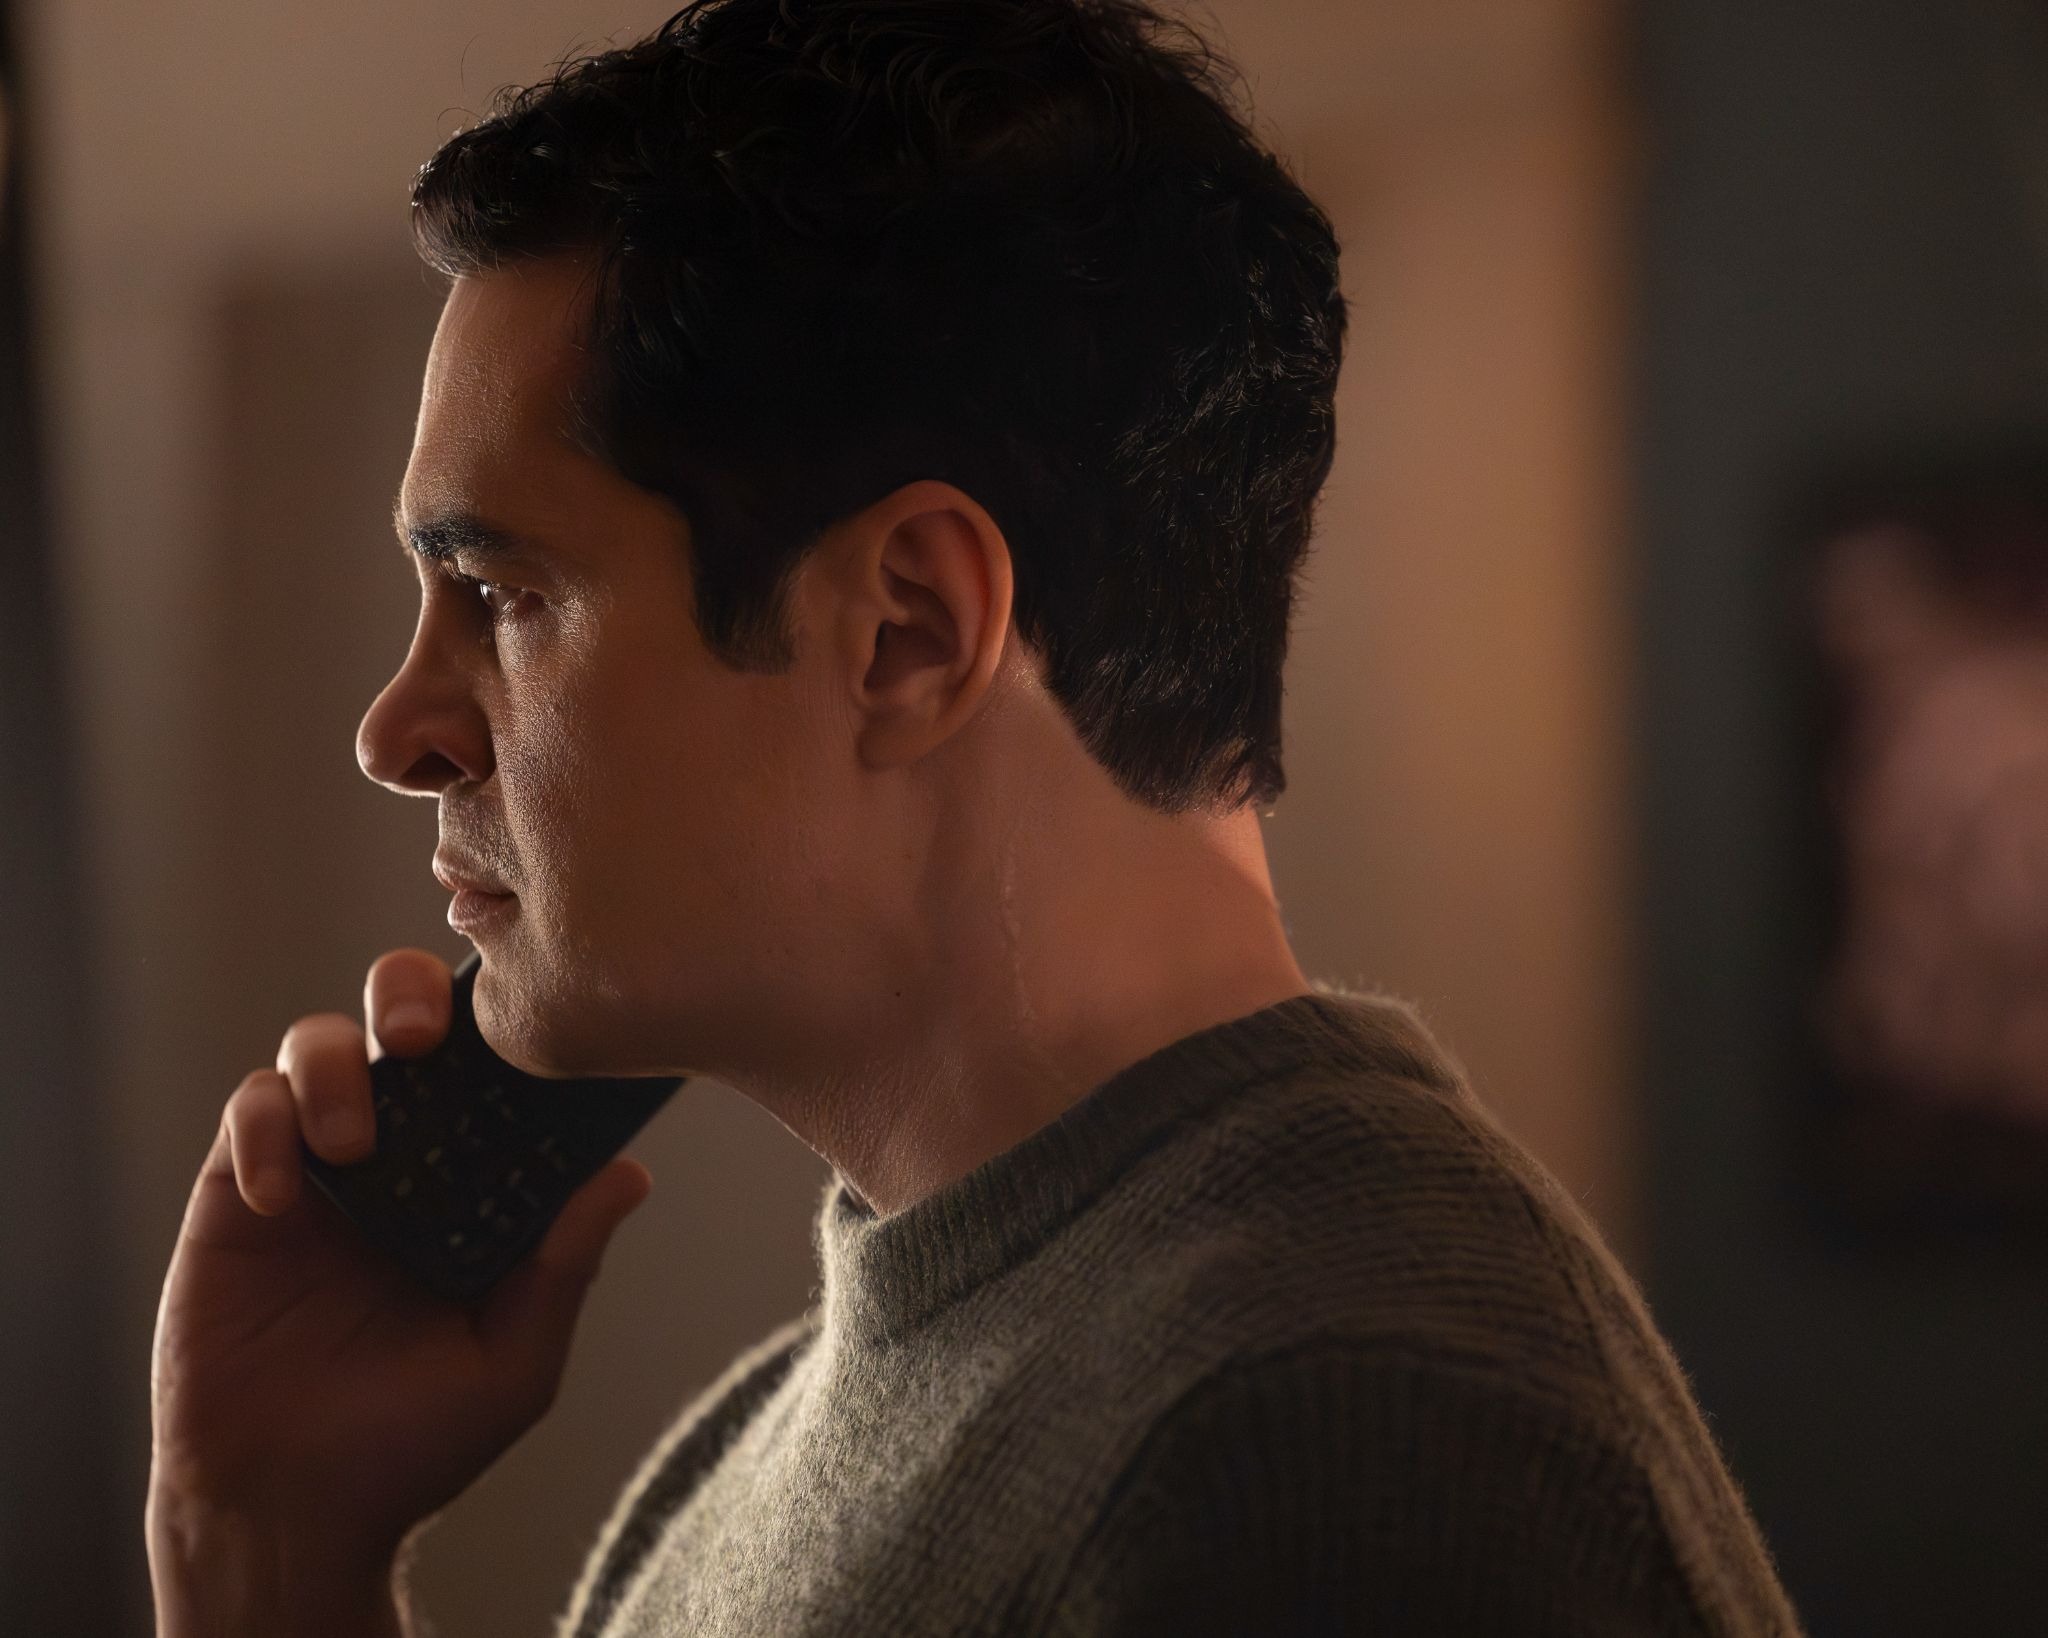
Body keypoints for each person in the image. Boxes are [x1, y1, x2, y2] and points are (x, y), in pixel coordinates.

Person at [145, 2, 1807, 1633]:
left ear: (911, 631)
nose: (397, 732)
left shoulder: (1335, 1445)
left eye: (504, 595)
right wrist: (267, 1557)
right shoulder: (794, 1429)